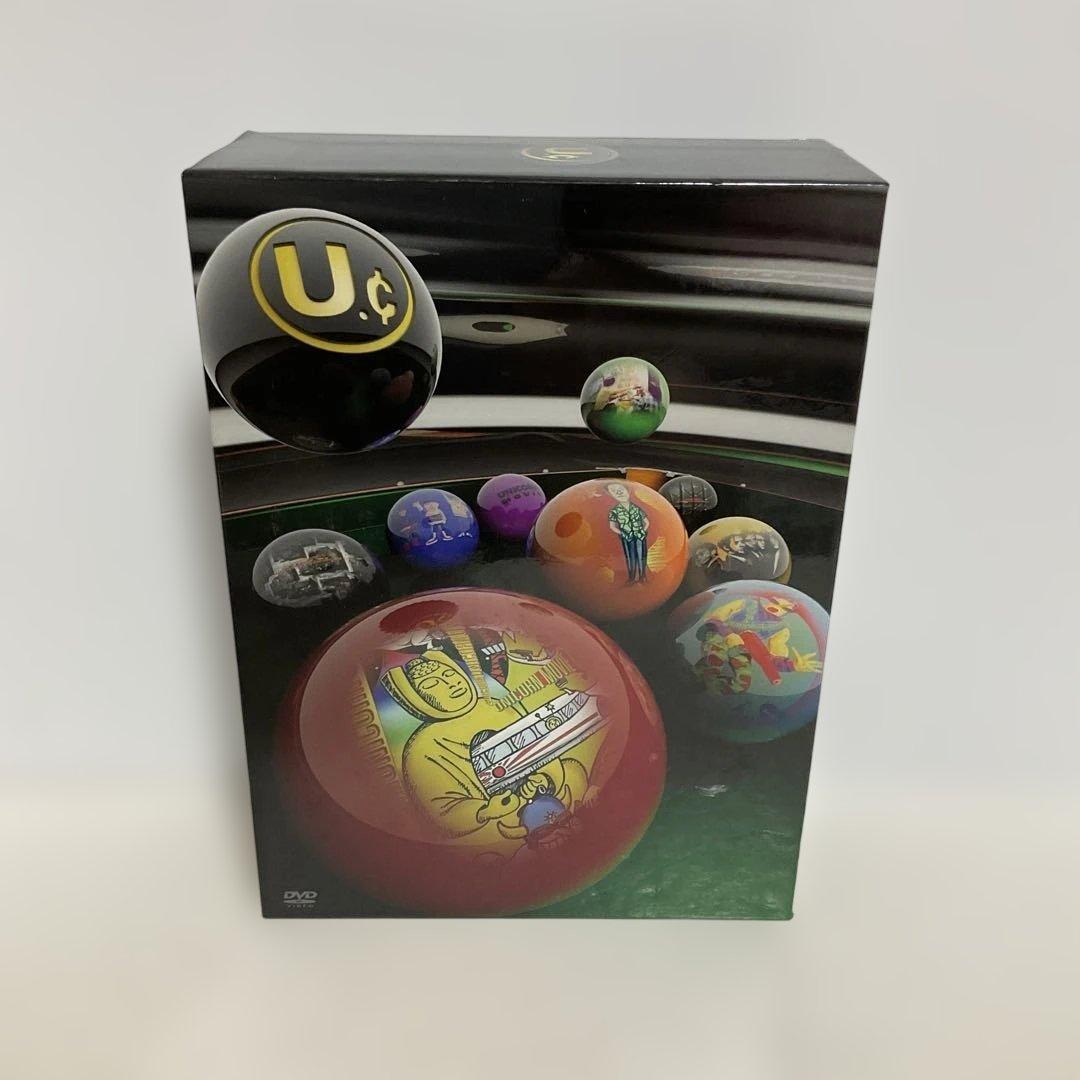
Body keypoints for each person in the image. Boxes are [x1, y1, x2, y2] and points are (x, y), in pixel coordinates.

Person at [606, 482, 650, 583]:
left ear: (628, 491)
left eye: (621, 489)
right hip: (627, 537)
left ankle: (642, 576)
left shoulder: (636, 508)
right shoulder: (615, 511)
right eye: (613, 491)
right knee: (630, 557)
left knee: (642, 556)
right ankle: (632, 578)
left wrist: (642, 531)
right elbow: (612, 526)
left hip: (639, 536)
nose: (619, 492)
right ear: (611, 495)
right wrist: (622, 533)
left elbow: (647, 522)